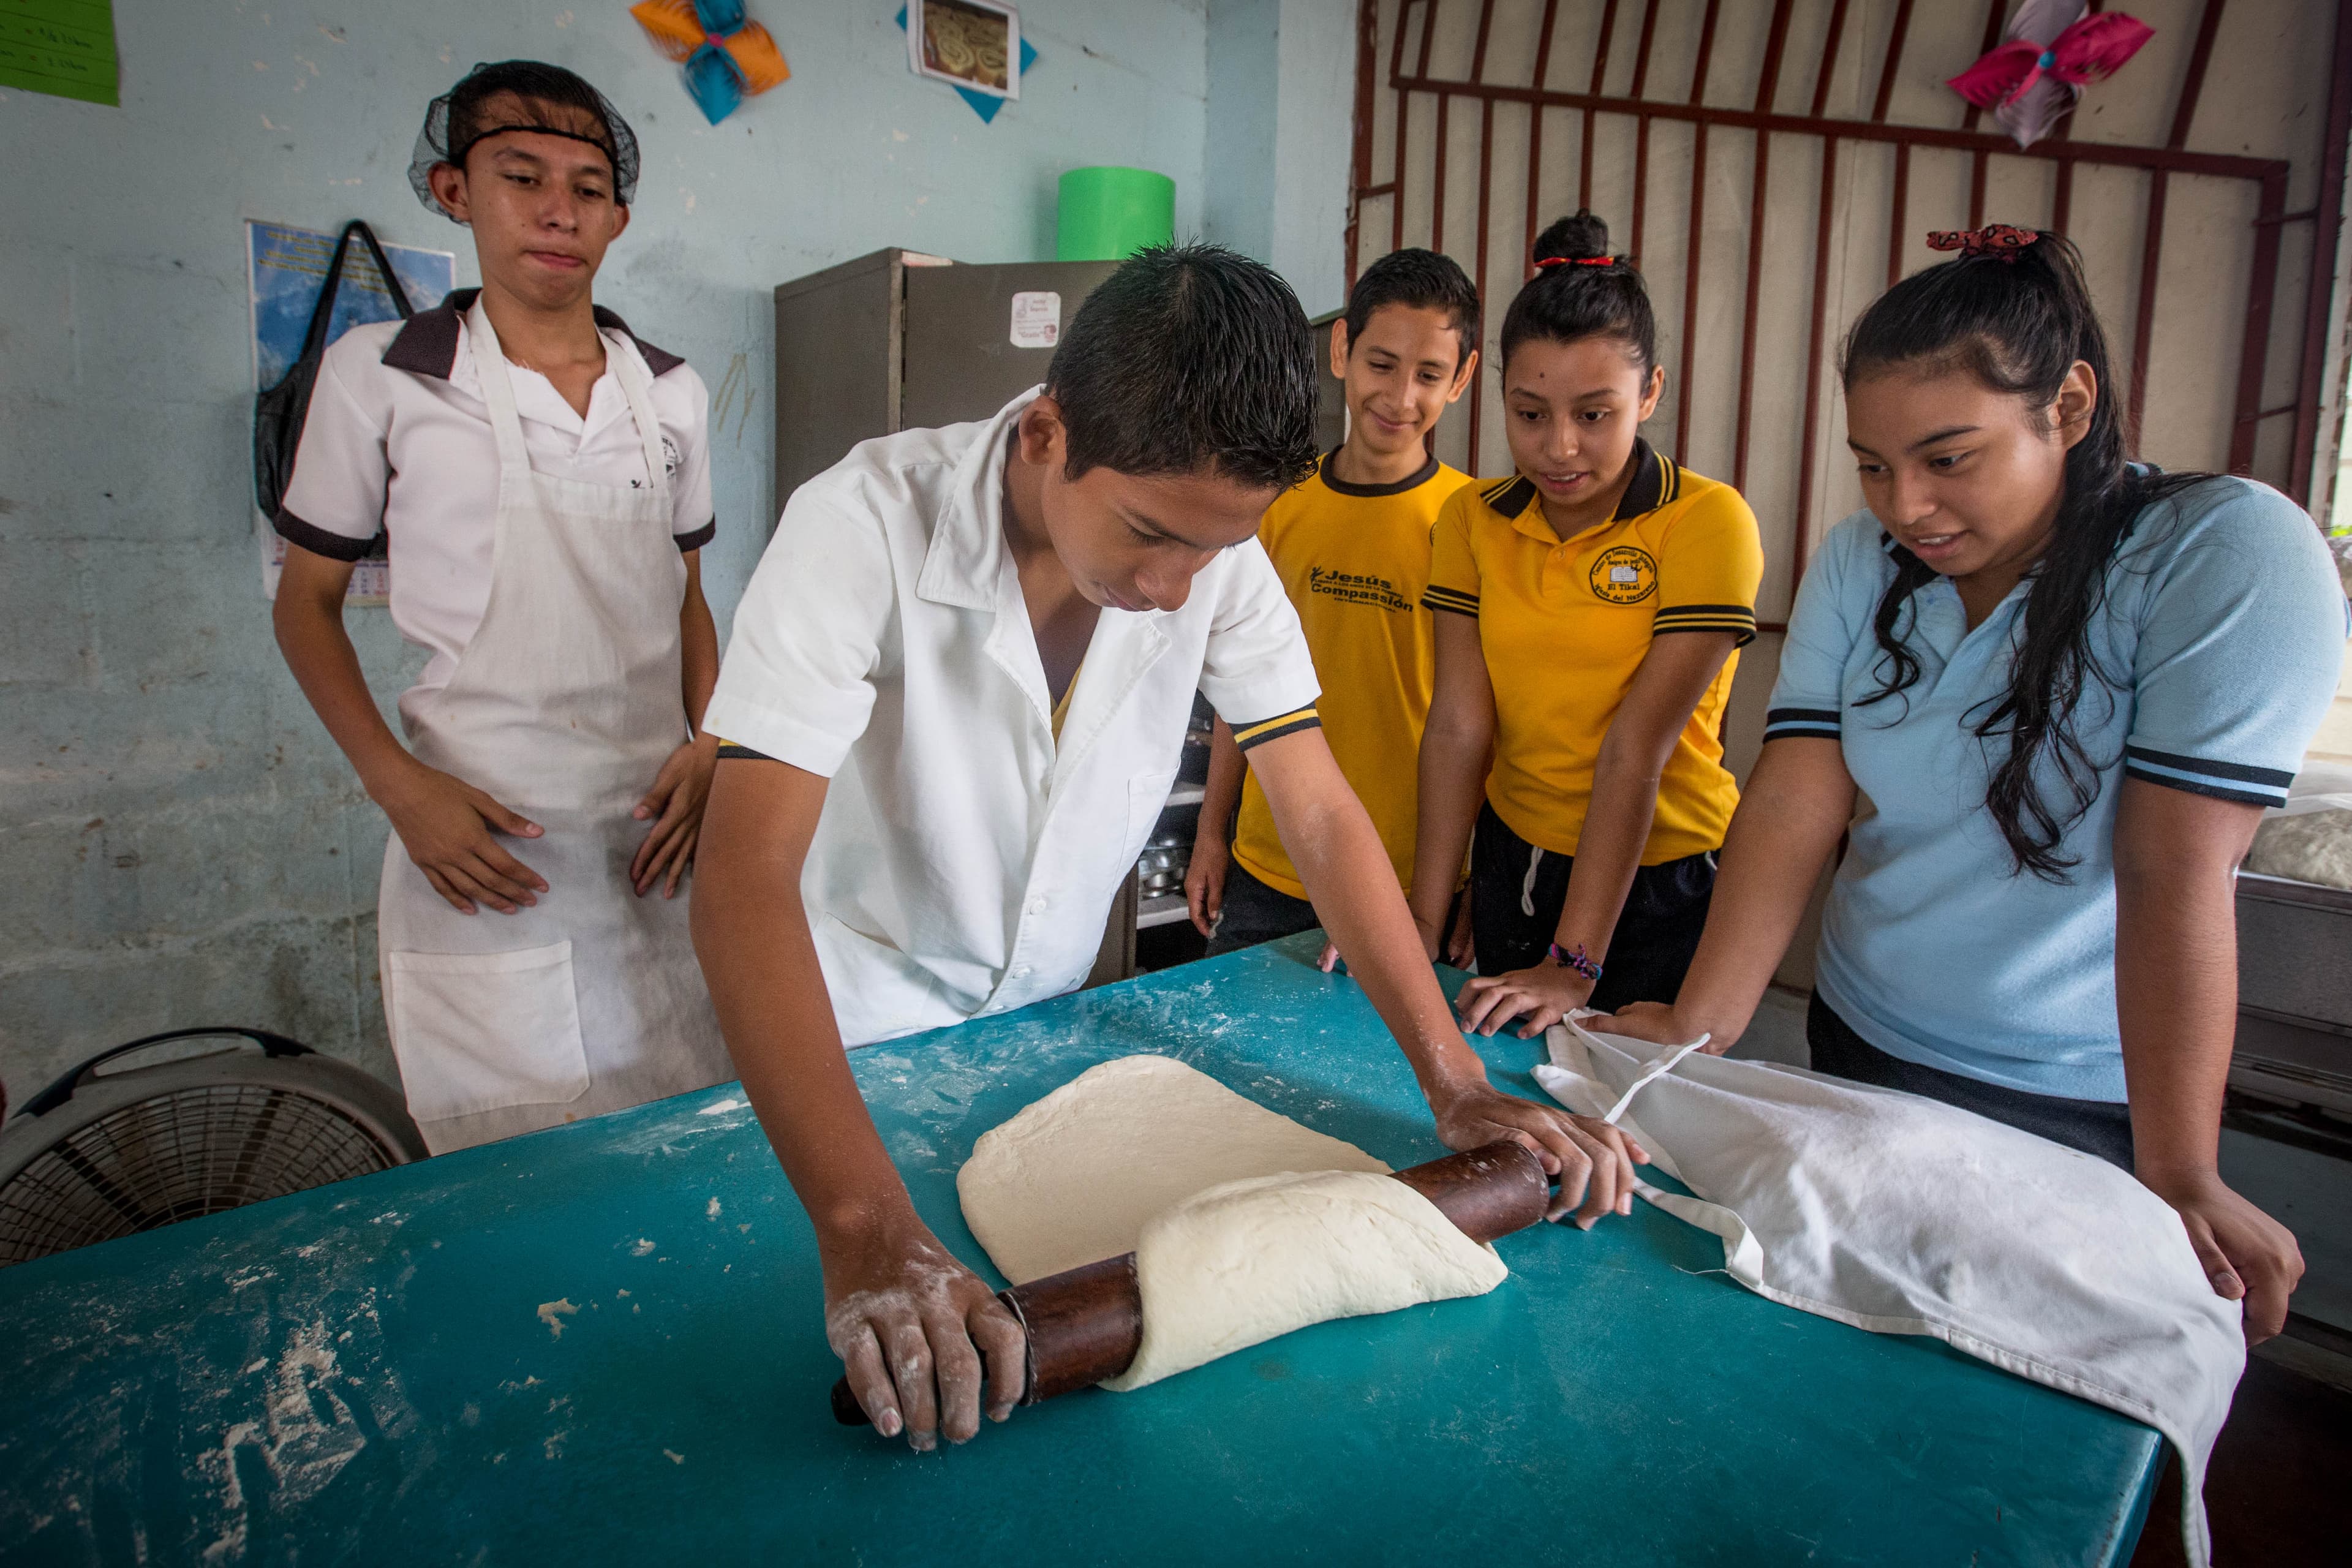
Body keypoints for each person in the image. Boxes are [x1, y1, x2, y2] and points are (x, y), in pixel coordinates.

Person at [691, 245, 1650, 1452]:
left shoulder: (1217, 555)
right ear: (1049, 433)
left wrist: (1456, 1085)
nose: (1173, 583)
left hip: (1039, 1028)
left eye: (1212, 546)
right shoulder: (859, 524)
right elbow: (741, 878)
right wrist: (869, 1234)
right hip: (853, 1027)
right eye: (1149, 533)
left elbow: (1319, 808)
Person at [1605, 225, 2348, 1344]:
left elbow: (2171, 866)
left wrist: (2180, 1165)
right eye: (1872, 463)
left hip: (2075, 1102)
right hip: (1862, 1050)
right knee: (1844, 1342)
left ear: (2070, 406)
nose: (1906, 505)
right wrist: (1700, 1028)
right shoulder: (1865, 564)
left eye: (1949, 459)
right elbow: (1798, 799)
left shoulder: (2219, 554)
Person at [271, 61, 732, 1153]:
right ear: (453, 190)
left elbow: (690, 599)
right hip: (482, 842)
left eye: (585, 187)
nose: (556, 211)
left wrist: (717, 744)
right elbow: (306, 605)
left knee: (690, 1128)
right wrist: (401, 787)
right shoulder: (381, 373)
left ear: (619, 218)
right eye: (520, 176)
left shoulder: (670, 392)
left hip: (655, 839)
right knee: (520, 1162)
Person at [1409, 212, 1763, 1039]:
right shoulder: (1473, 519)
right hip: (1515, 860)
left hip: (1661, 877)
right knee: (1507, 1103)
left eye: (1595, 415)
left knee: (1632, 1129)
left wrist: (1575, 964)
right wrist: (1420, 925)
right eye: (1529, 414)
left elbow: (1636, 747)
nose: (1559, 448)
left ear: (1651, 393)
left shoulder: (1706, 521)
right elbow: (1461, 725)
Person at [1184, 248, 1481, 960]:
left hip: (1410, 886)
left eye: (1430, 374)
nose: (1401, 397)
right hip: (1269, 864)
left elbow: (1483, 722)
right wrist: (1211, 831)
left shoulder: (1474, 522)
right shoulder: (1279, 504)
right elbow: (1240, 687)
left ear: (1462, 379)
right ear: (1343, 348)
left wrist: (1472, 880)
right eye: (1382, 364)